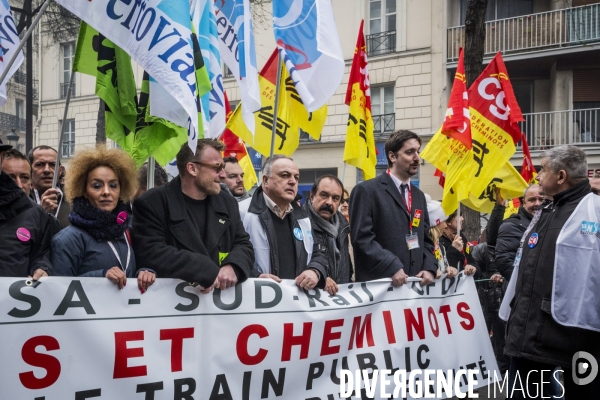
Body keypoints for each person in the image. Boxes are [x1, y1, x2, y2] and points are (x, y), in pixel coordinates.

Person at [504, 145, 600, 398]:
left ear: (560, 177)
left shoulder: (595, 211)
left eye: (543, 169)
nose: (537, 175)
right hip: (530, 338)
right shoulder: (545, 211)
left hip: (578, 339)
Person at [133, 140, 254, 292]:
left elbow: (243, 244)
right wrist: (205, 269)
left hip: (220, 310)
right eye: (217, 167)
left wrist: (234, 266)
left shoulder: (226, 202)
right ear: (192, 168)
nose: (222, 175)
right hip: (170, 308)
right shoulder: (152, 203)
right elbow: (151, 253)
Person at [51, 146, 155, 292]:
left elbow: (139, 266)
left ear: (121, 190)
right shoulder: (67, 239)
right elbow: (56, 289)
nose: (106, 192)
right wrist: (102, 276)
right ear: (84, 190)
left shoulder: (128, 231)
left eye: (113, 185)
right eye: (97, 186)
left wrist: (145, 272)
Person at [349, 130, 437, 286]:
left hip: (413, 289)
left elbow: (426, 240)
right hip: (381, 288)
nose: (417, 157)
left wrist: (430, 267)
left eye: (418, 151)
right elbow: (362, 239)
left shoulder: (419, 196)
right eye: (410, 152)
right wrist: (391, 265)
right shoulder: (367, 191)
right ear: (392, 156)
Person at [243, 155, 328, 290]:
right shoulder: (242, 212)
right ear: (265, 180)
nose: (293, 182)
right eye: (285, 175)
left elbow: (318, 252)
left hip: (294, 304)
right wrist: (256, 276)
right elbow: (227, 257)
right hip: (255, 300)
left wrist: (315, 270)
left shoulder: (303, 218)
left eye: (296, 177)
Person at [1, 142, 58, 278]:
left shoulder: (39, 216)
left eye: (24, 177)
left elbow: (42, 254)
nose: (19, 185)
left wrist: (41, 268)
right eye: (11, 177)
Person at [303, 175, 352, 295]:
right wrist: (319, 277)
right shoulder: (298, 223)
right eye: (324, 195)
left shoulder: (343, 226)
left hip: (339, 301)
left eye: (335, 198)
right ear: (312, 196)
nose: (329, 202)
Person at [491, 184, 544, 282]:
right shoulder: (511, 226)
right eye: (532, 200)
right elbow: (505, 261)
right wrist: (527, 284)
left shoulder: (551, 223)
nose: (537, 204)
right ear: (523, 203)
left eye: (541, 199)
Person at [27, 145, 71, 227]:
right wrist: (40, 212)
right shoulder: (22, 200)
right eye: (40, 164)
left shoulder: (74, 198)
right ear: (29, 169)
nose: (47, 170)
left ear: (60, 170)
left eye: (53, 164)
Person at [425, 194, 457, 279]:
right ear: (436, 223)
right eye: (444, 221)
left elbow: (444, 267)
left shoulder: (440, 246)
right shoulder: (422, 247)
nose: (446, 226)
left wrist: (448, 269)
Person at [438, 210, 477, 275]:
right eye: (459, 216)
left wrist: (472, 267)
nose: (462, 219)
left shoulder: (461, 237)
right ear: (448, 221)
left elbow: (471, 261)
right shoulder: (439, 239)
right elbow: (444, 267)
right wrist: (454, 249)